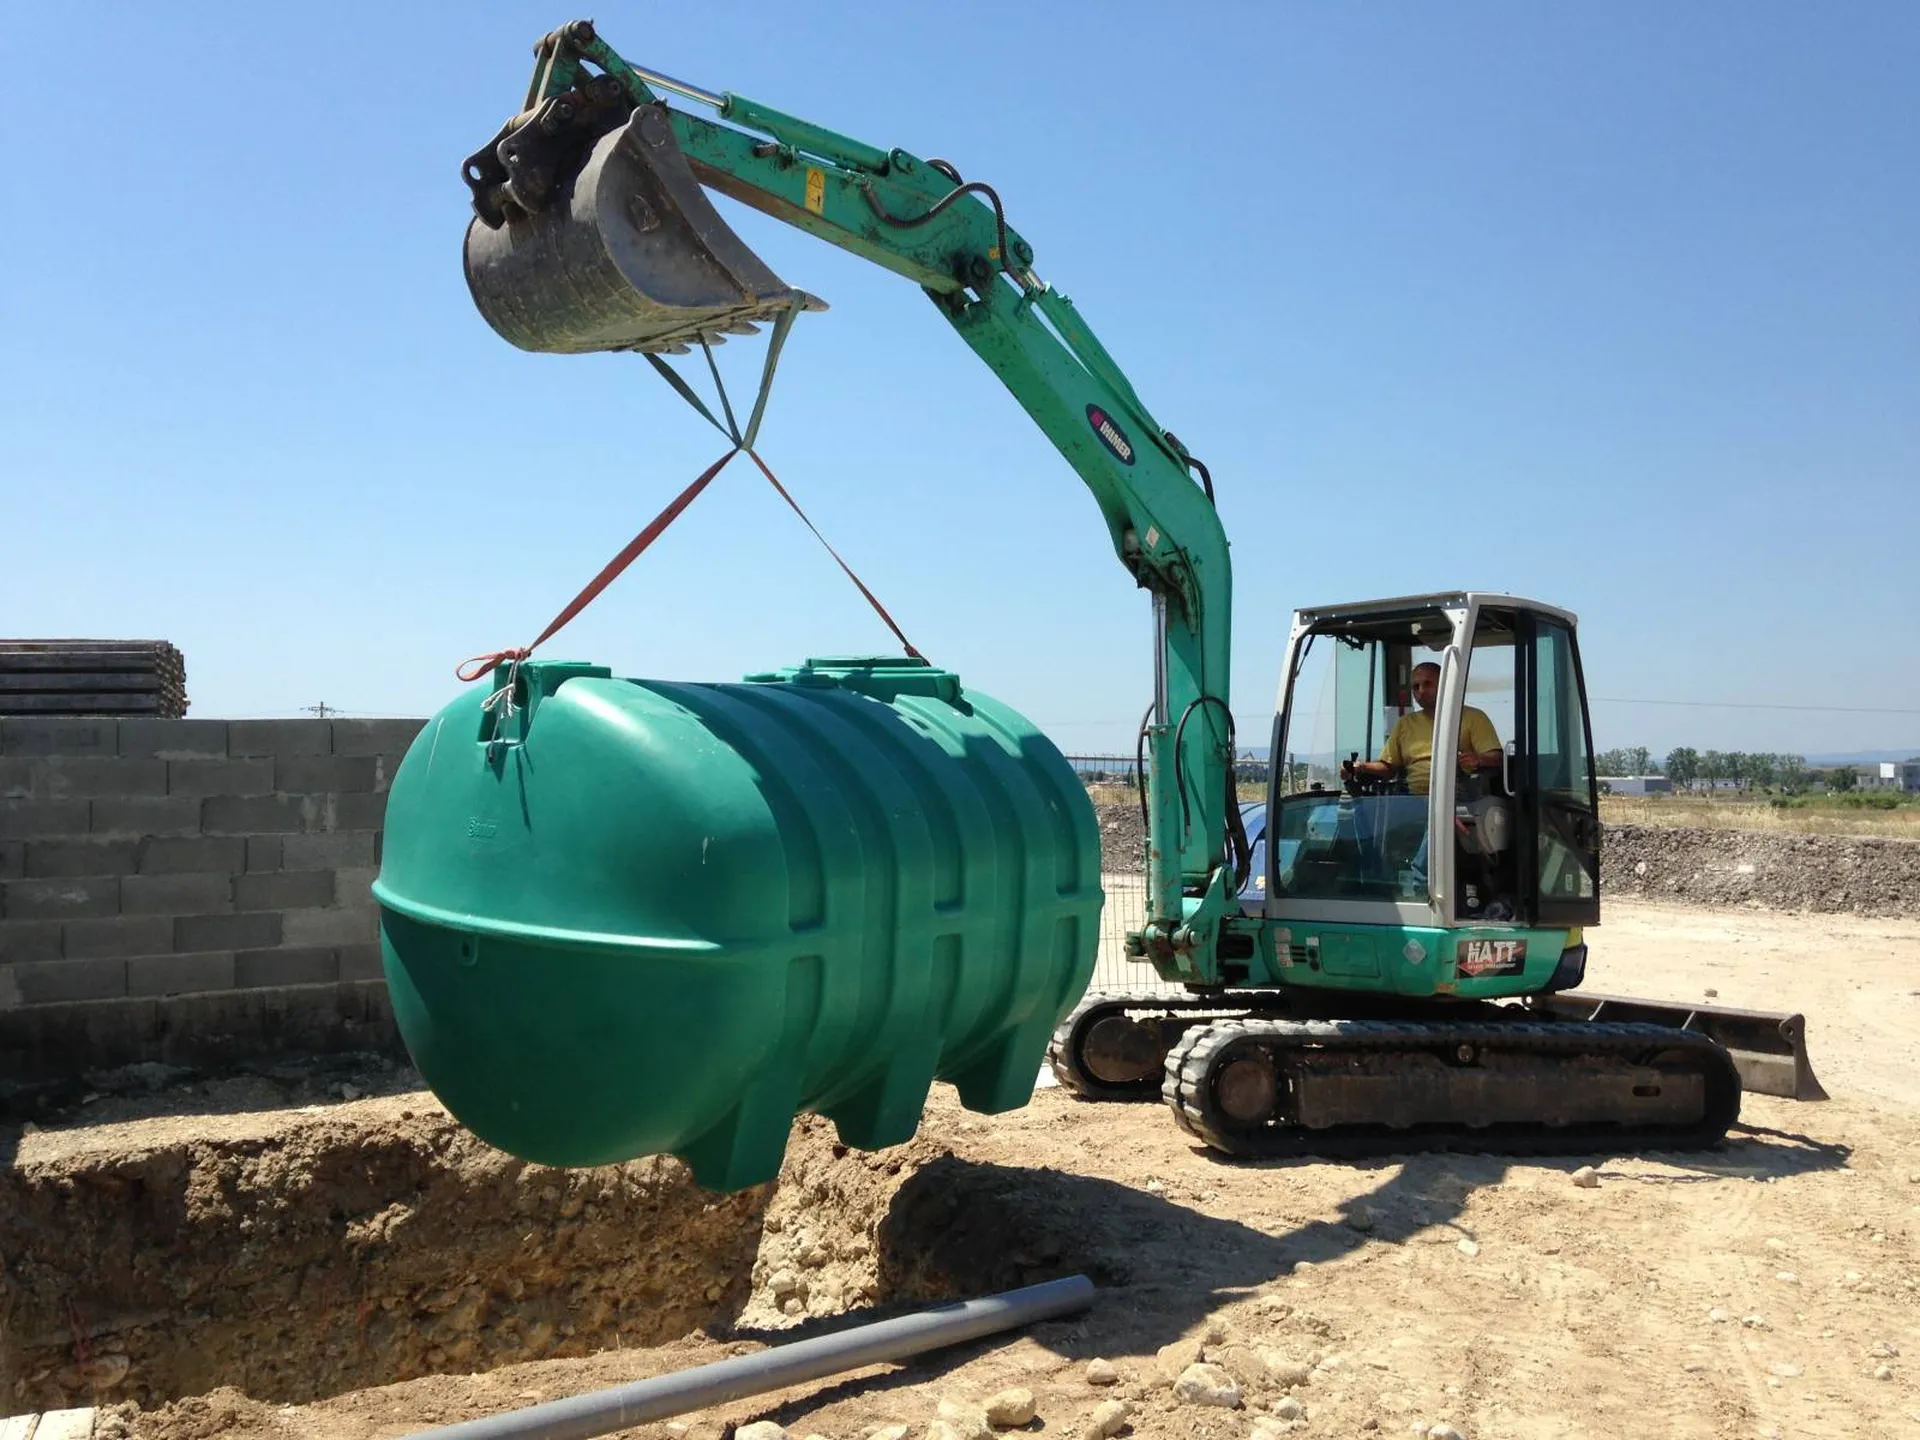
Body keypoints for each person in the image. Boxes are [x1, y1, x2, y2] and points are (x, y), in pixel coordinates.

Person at [1342, 662, 1503, 796]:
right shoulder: (1405, 724)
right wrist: (1360, 767)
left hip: (1462, 802)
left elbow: (1496, 758)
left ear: (1446, 684)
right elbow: (1388, 767)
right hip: (1415, 803)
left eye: (1427, 684)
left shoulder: (1473, 717)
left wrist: (1479, 760)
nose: (1421, 691)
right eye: (1415, 686)